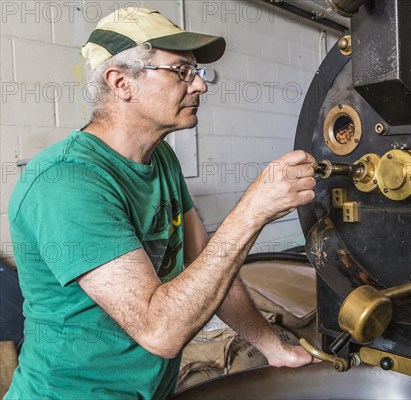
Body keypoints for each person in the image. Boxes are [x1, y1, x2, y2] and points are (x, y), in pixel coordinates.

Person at [5, 8, 317, 399]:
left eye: (197, 72)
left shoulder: (161, 159)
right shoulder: (66, 180)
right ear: (121, 83)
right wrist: (254, 209)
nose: (200, 86)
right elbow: (160, 330)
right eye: (182, 72)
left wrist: (275, 349)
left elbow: (207, 264)